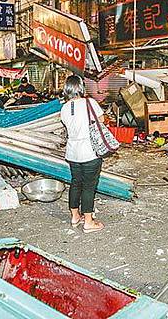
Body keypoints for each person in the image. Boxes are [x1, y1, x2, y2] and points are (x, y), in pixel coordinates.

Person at [60, 75, 105, 233]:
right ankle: (88, 222)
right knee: (88, 187)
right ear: (81, 87)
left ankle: (74, 217)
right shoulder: (90, 103)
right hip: (89, 152)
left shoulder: (64, 108)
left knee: (75, 183)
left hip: (72, 153)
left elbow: (67, 125)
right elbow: (102, 121)